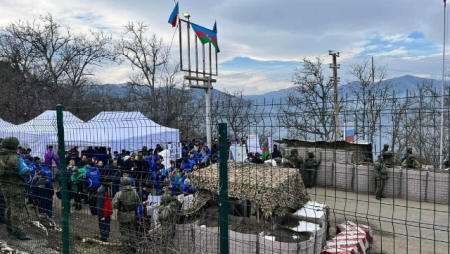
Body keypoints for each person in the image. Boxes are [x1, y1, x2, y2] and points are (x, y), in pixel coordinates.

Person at [0, 137, 31, 240]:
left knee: (8, 208)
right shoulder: (15, 158)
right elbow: (26, 172)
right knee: (16, 209)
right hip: (17, 187)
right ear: (14, 146)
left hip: (5, 187)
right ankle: (18, 232)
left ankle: (10, 231)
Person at [112, 177, 139, 253]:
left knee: (124, 233)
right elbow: (137, 203)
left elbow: (114, 205)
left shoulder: (119, 194)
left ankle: (126, 249)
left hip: (123, 216)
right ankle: (134, 248)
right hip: (132, 215)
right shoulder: (134, 192)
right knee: (132, 231)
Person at [96, 176, 114, 242]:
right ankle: (103, 239)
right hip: (104, 213)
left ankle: (104, 238)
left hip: (106, 212)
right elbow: (100, 204)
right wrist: (101, 215)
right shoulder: (102, 191)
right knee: (104, 227)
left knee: (106, 227)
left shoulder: (106, 189)